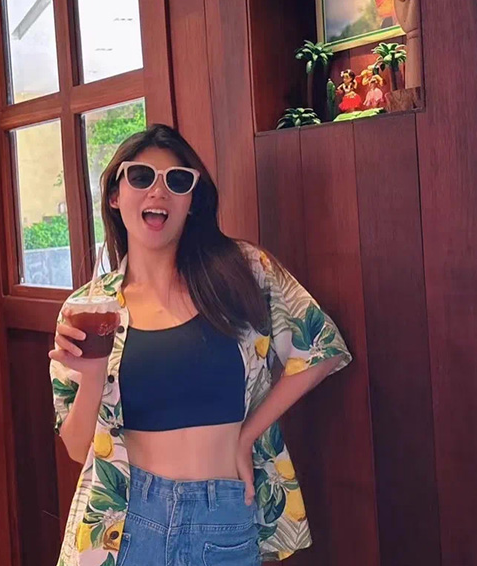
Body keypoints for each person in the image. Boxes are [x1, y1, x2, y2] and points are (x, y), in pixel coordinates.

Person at [49, 124, 352, 566]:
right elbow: (78, 449)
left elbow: (322, 348)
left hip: (223, 510)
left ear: (192, 200)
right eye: (141, 177)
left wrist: (248, 435)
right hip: (126, 520)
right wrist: (93, 375)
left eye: (177, 180)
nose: (158, 191)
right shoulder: (87, 308)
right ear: (115, 195)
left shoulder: (244, 271)